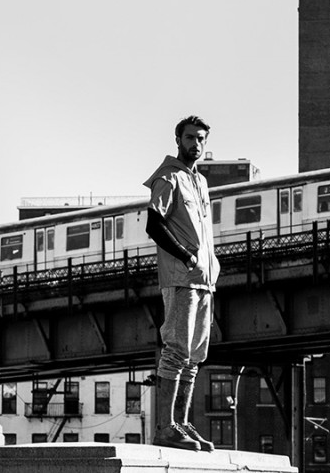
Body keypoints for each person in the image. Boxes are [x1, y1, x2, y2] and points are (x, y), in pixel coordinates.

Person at [144, 115, 220, 451]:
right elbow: (153, 224)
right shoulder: (169, 177)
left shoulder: (200, 183)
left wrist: (210, 265)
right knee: (176, 350)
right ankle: (166, 427)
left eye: (202, 139)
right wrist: (187, 257)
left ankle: (181, 424)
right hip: (180, 278)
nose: (196, 144)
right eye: (191, 138)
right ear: (178, 140)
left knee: (193, 356)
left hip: (204, 282)